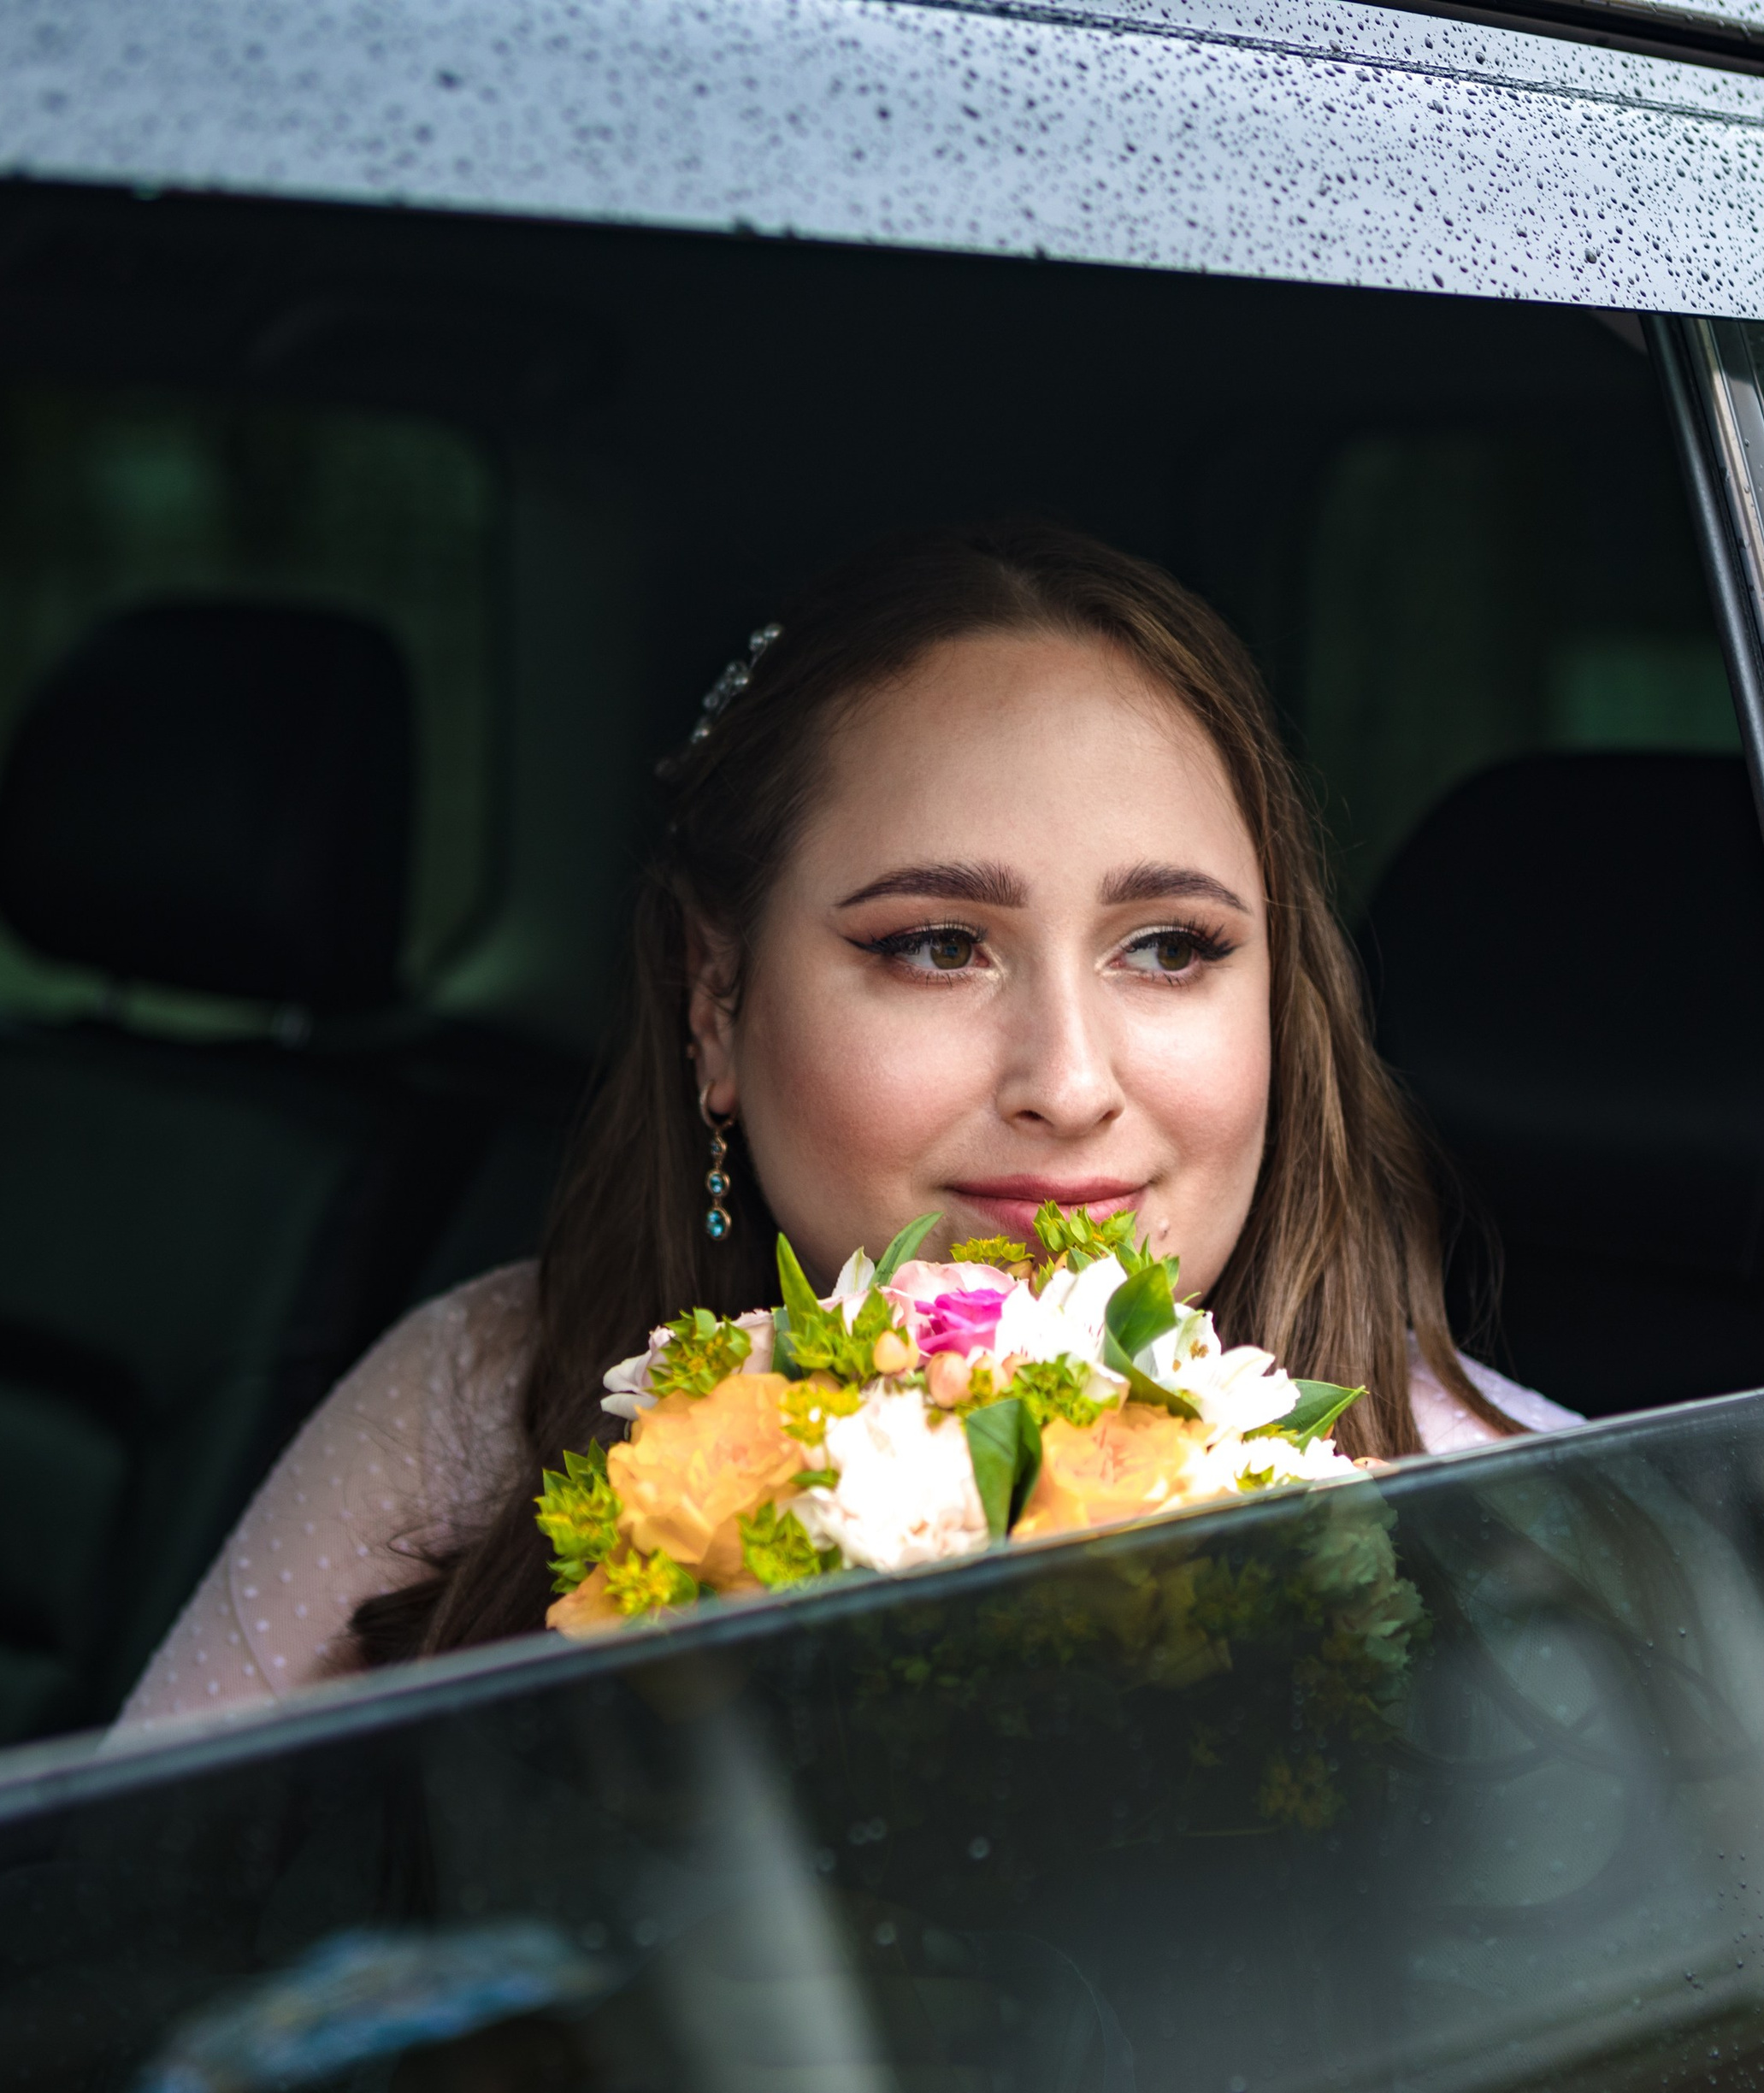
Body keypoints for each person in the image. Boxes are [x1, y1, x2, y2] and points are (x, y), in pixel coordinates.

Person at [120, 522, 1575, 1726]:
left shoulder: (1519, 1531)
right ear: (716, 997)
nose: (1070, 1084)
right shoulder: (482, 1395)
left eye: (1169, 948)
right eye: (938, 946)